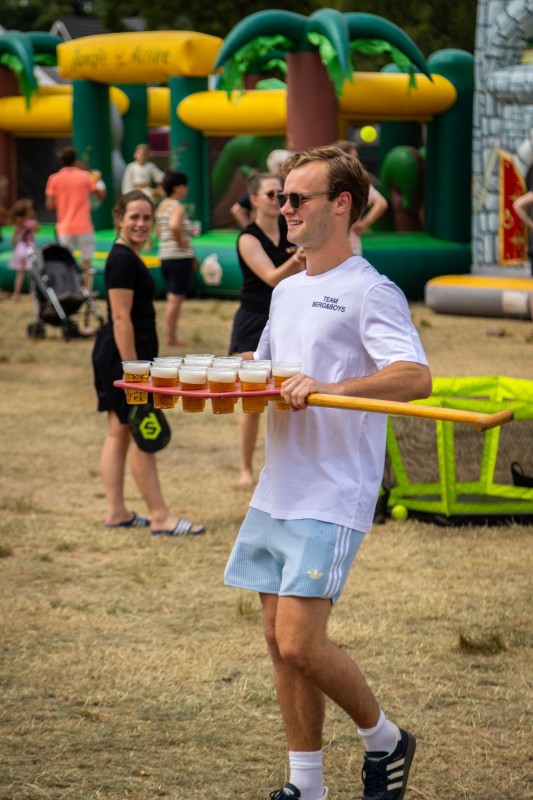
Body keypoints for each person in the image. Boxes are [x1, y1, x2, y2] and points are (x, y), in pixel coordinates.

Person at [224, 146, 432, 800]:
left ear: (341, 204)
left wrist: (333, 386)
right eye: (280, 197)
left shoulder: (370, 290)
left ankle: (384, 738)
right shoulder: (286, 289)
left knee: (300, 643)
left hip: (332, 490)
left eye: (297, 198)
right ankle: (305, 784)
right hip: (278, 485)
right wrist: (229, 379)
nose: (282, 208)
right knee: (274, 638)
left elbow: (415, 376)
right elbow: (268, 371)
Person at [91, 190, 204, 537]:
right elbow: (121, 317)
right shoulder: (122, 259)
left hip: (121, 354)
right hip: (125, 357)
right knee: (142, 429)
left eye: (146, 218)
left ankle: (117, 512)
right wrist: (133, 371)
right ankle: (160, 516)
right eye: (134, 217)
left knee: (120, 431)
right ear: (119, 219)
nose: (140, 224)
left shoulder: (127, 255)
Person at [228, 171, 306, 487]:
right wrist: (300, 257)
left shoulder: (292, 231)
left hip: (288, 319)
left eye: (283, 195)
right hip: (254, 320)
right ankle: (245, 469)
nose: (279, 200)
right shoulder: (248, 237)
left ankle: (286, 466)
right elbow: (272, 277)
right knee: (253, 401)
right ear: (254, 200)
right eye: (272, 194)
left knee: (289, 396)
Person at [45, 146, 106, 284]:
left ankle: (70, 290)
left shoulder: (54, 179)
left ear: (61, 161)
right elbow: (101, 195)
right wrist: (98, 180)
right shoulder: (85, 176)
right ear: (75, 160)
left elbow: (49, 205)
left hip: (64, 228)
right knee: (87, 263)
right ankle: (87, 292)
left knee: (66, 262)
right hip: (84, 226)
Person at [155, 170, 195, 347]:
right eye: (185, 186)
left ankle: (170, 336)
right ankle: (170, 337)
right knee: (175, 299)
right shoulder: (177, 206)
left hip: (165, 255)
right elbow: (174, 226)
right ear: (178, 187)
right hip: (178, 257)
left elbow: (159, 230)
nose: (186, 189)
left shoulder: (162, 206)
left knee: (172, 297)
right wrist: (181, 242)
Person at [335, 139, 388, 255]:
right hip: (350, 245)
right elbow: (381, 203)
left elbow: (381, 203)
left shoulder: (357, 181)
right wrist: (363, 224)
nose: (357, 161)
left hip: (337, 245)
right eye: (354, 157)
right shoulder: (358, 181)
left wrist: (363, 224)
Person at [230, 149, 293, 228]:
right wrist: (251, 230)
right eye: (270, 194)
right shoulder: (266, 184)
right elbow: (237, 209)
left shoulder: (287, 183)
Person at [8, 198, 40, 300]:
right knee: (32, 274)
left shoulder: (18, 223)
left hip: (20, 247)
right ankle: (33, 293)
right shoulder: (32, 223)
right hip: (29, 248)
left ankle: (16, 294)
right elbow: (38, 229)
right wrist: (34, 218)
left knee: (20, 274)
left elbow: (14, 237)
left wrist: (15, 248)